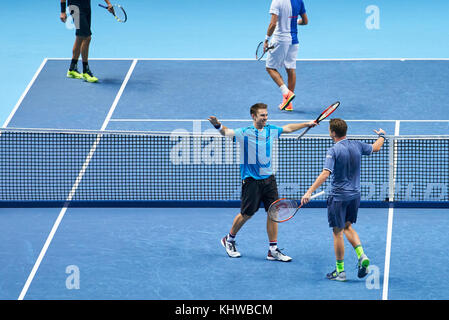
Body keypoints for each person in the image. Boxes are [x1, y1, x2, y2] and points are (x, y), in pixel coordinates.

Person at [208, 103, 316, 261]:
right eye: (262, 115)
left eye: (266, 115)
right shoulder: (244, 133)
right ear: (254, 116)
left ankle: (272, 249)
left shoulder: (271, 130)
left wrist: (306, 124)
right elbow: (227, 132)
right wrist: (217, 124)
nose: (266, 118)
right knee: (246, 214)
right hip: (251, 181)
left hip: (269, 180)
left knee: (274, 213)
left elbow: (288, 128)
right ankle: (229, 240)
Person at [301, 118, 386, 281]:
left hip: (338, 198)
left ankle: (340, 272)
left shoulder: (333, 150)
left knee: (337, 232)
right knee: (348, 227)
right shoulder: (358, 145)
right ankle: (362, 256)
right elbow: (376, 147)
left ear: (332, 132)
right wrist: (382, 135)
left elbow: (326, 173)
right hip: (355, 195)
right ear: (345, 131)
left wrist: (309, 192)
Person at [264, 0, 308, 112]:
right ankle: (288, 104)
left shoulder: (277, 1)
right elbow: (305, 21)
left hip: (280, 40)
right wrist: (296, 21)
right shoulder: (299, 1)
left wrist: (266, 39)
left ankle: (286, 93)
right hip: (294, 40)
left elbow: (273, 24)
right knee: (291, 69)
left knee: (270, 68)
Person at [60, 0, 112, 83]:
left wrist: (108, 3)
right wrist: (62, 11)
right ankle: (86, 71)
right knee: (87, 37)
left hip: (86, 7)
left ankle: (72, 69)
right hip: (75, 8)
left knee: (80, 37)